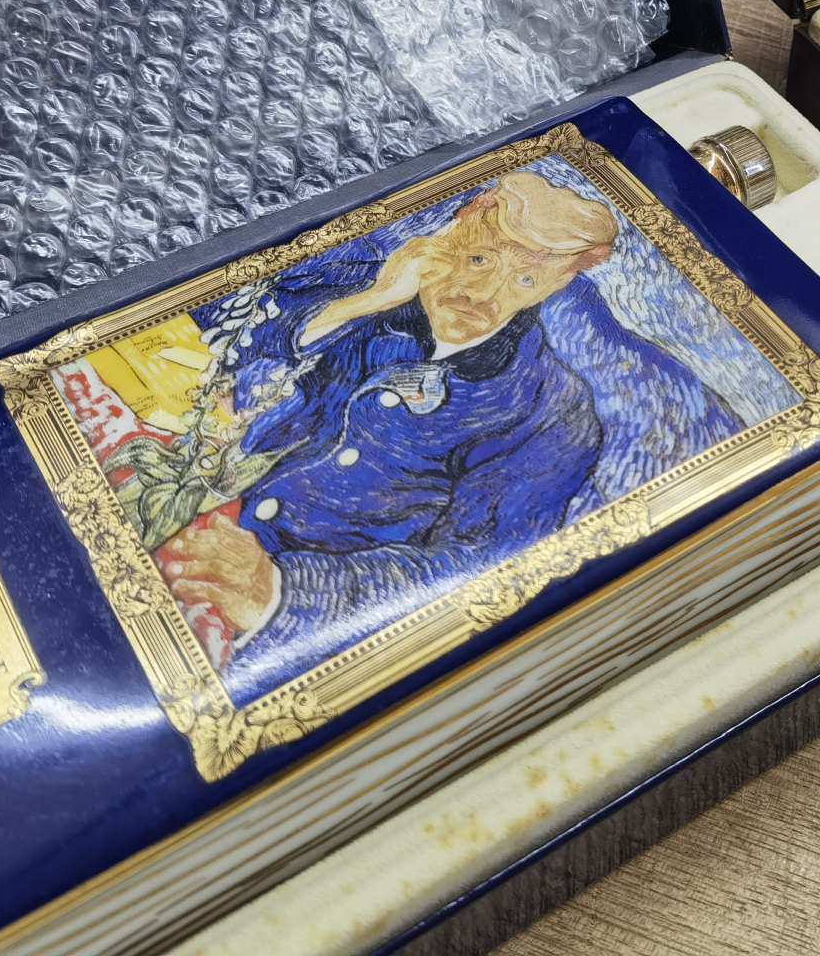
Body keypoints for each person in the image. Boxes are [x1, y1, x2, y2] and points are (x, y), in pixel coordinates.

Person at [159, 169, 741, 689]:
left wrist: (283, 592)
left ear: (559, 286)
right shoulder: (370, 301)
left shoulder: (551, 413)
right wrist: (359, 304)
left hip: (284, 622)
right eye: (480, 260)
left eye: (525, 281)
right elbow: (226, 373)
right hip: (190, 523)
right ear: (454, 232)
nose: (482, 296)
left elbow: (485, 570)